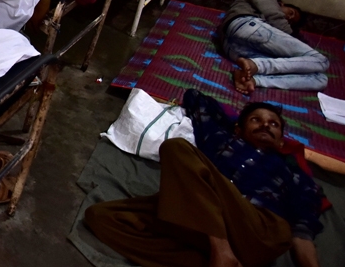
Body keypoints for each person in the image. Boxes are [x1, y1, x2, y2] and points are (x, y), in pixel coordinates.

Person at [85, 89, 323, 267]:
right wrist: (233, 125)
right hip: (201, 215)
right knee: (101, 217)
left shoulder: (292, 171)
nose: (265, 125)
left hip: (257, 230)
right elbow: (195, 98)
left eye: (273, 124)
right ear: (238, 129)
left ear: (281, 140)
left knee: (177, 148)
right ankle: (218, 258)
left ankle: (221, 251)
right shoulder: (220, 138)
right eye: (256, 120)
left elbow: (302, 230)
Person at [219, 0, 326, 95]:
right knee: (321, 60)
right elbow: (274, 16)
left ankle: (254, 80)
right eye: (291, 13)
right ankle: (257, 65)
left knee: (320, 79)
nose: (288, 19)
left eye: (291, 22)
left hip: (232, 50)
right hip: (247, 26)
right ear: (281, 4)